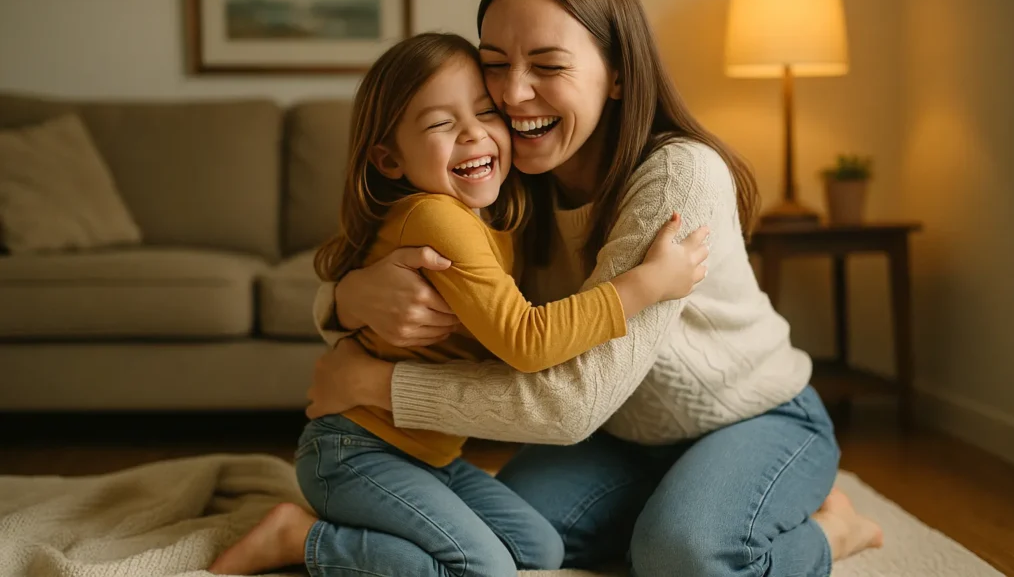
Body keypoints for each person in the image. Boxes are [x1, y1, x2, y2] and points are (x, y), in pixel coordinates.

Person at [306, 0, 885, 576]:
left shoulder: (677, 178)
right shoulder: (505, 177)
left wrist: (377, 386)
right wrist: (346, 298)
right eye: (495, 65)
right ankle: (671, 507)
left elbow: (569, 405)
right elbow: (387, 253)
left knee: (683, 557)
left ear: (616, 73)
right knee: (513, 540)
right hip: (620, 436)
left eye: (548, 66)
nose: (513, 93)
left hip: (751, 418)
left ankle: (835, 532)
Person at [209, 31, 710, 577]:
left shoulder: (493, 214)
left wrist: (347, 297)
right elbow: (527, 340)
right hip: (356, 451)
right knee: (484, 569)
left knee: (541, 551)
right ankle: (301, 539)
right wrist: (648, 283)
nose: (473, 134)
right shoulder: (436, 216)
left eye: (485, 112)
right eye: (441, 124)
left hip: (433, 457)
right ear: (389, 159)